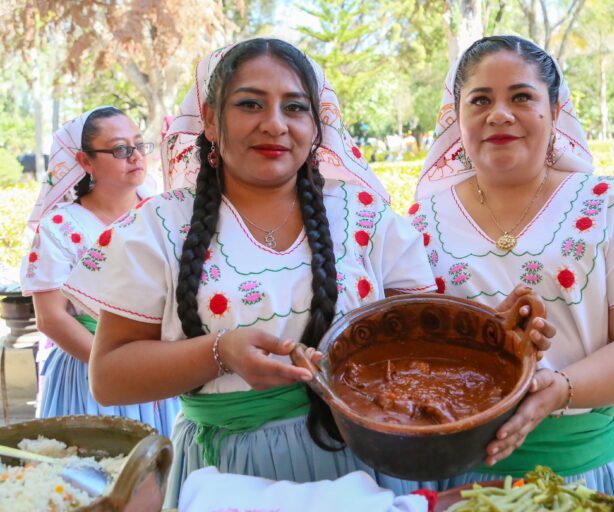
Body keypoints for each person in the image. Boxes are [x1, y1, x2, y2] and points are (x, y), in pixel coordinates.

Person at [60, 39, 442, 507]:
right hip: (225, 478)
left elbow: (427, 346)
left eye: (295, 107)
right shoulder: (159, 228)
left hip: (362, 473)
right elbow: (110, 377)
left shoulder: (365, 218)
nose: (275, 124)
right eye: (250, 104)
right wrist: (222, 352)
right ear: (211, 119)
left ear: (316, 125)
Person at [409, 35, 614, 502]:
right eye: (480, 100)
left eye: (521, 97)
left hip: (588, 474)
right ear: (457, 118)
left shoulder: (606, 204)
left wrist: (561, 388)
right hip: (463, 483)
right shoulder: (421, 223)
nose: (499, 114)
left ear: (555, 112)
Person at [19, 106, 179, 436]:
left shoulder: (164, 212)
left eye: (139, 145)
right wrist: (116, 367)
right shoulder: (61, 226)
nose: (135, 156)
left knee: (163, 474)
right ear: (85, 162)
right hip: (90, 371)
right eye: (120, 149)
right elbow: (51, 318)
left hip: (162, 366)